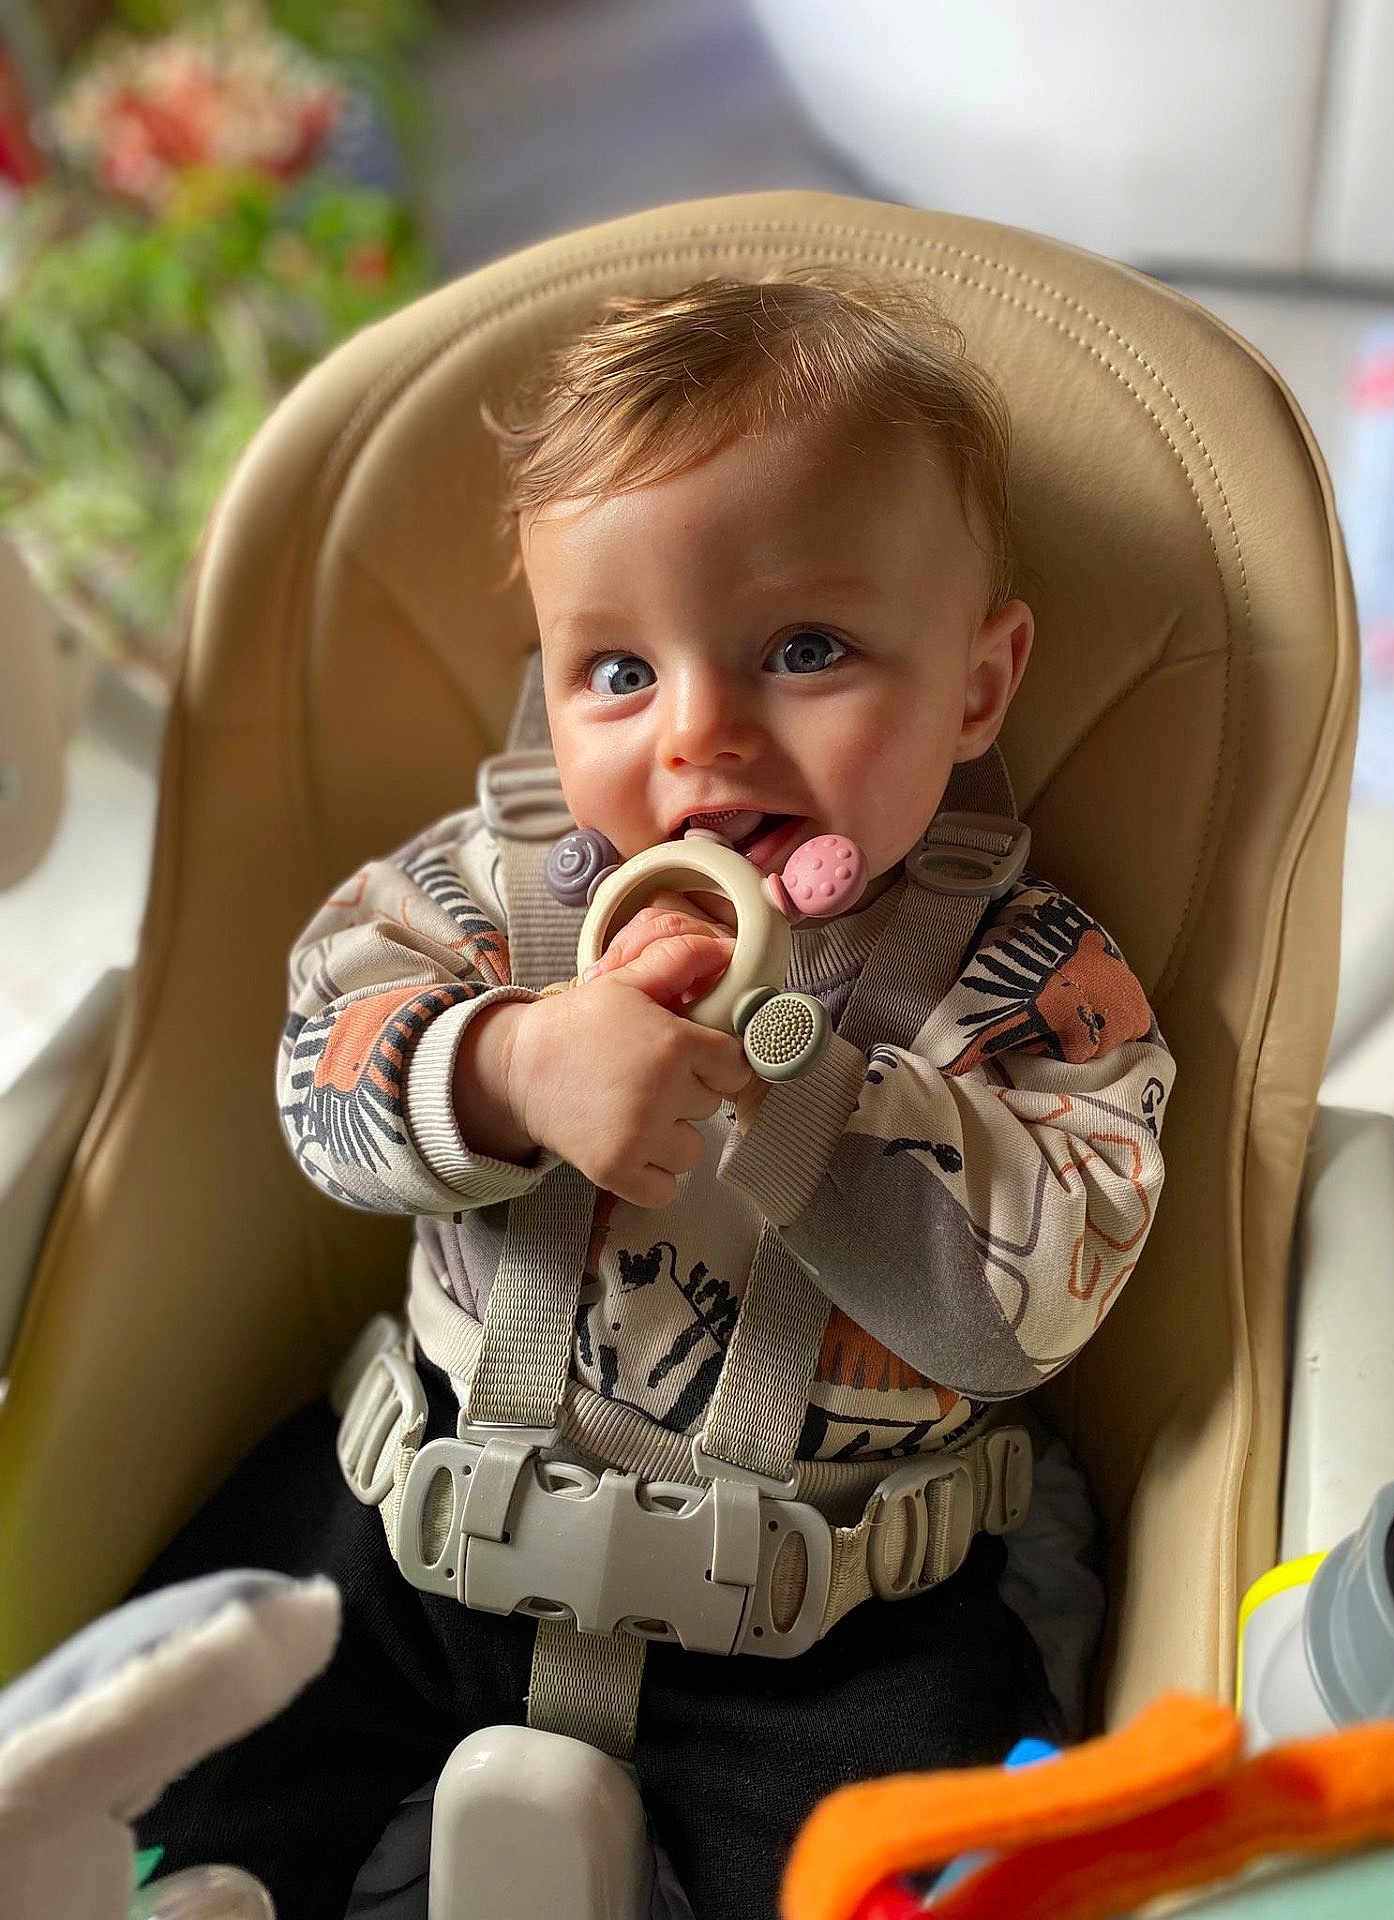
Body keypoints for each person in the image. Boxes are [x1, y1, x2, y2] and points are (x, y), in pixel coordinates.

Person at [134, 275, 1175, 1919]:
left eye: (805, 650)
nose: (701, 735)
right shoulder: (481, 899)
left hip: (838, 1615)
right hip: (411, 1516)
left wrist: (792, 1072)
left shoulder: (1030, 984)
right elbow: (317, 1089)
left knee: (942, 1877)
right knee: (154, 1750)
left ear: (979, 687)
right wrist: (503, 1062)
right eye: (617, 669)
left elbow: (1022, 1313)